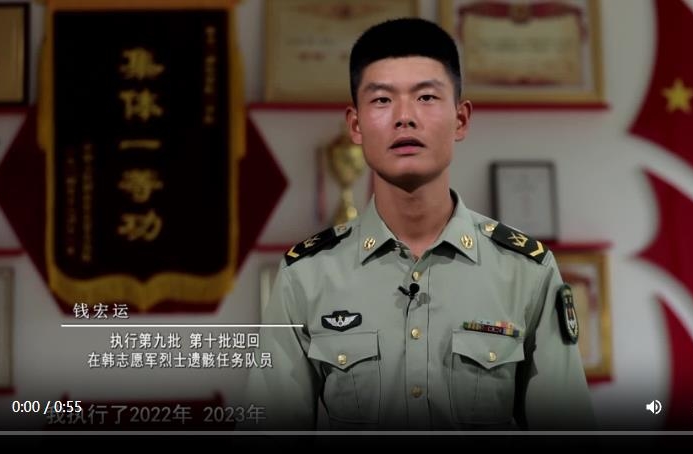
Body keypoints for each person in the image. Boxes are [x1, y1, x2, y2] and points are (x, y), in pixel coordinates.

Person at [243, 17, 594, 431]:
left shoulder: (526, 272)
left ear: (460, 119)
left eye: (426, 97)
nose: (404, 117)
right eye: (382, 100)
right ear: (355, 125)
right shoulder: (306, 275)